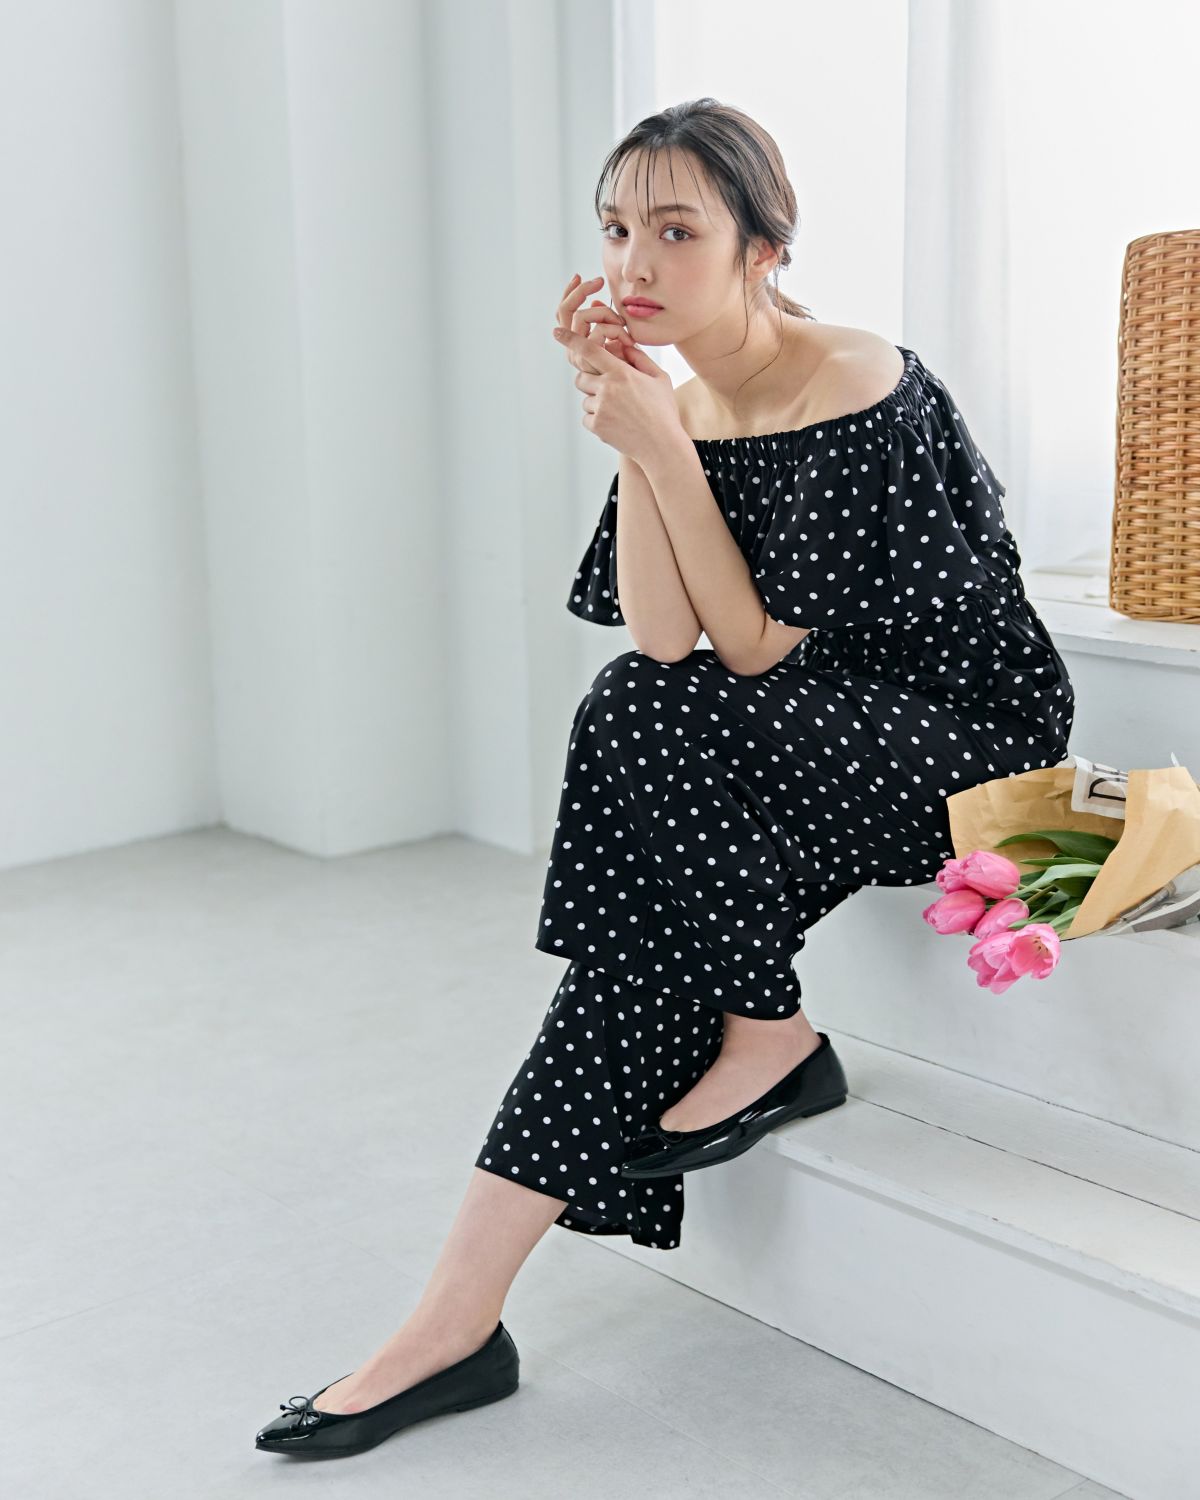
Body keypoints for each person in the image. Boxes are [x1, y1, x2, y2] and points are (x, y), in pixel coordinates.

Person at [254, 97, 1075, 1460]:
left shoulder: (853, 377)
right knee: (636, 941)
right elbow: (660, 632)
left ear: (764, 248)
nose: (635, 263)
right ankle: (451, 1328)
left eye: (678, 231)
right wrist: (643, 438)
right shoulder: (679, 402)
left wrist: (664, 447)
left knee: (642, 726)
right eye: (616, 229)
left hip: (960, 741)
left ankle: (771, 1036)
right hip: (795, 747)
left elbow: (748, 649)